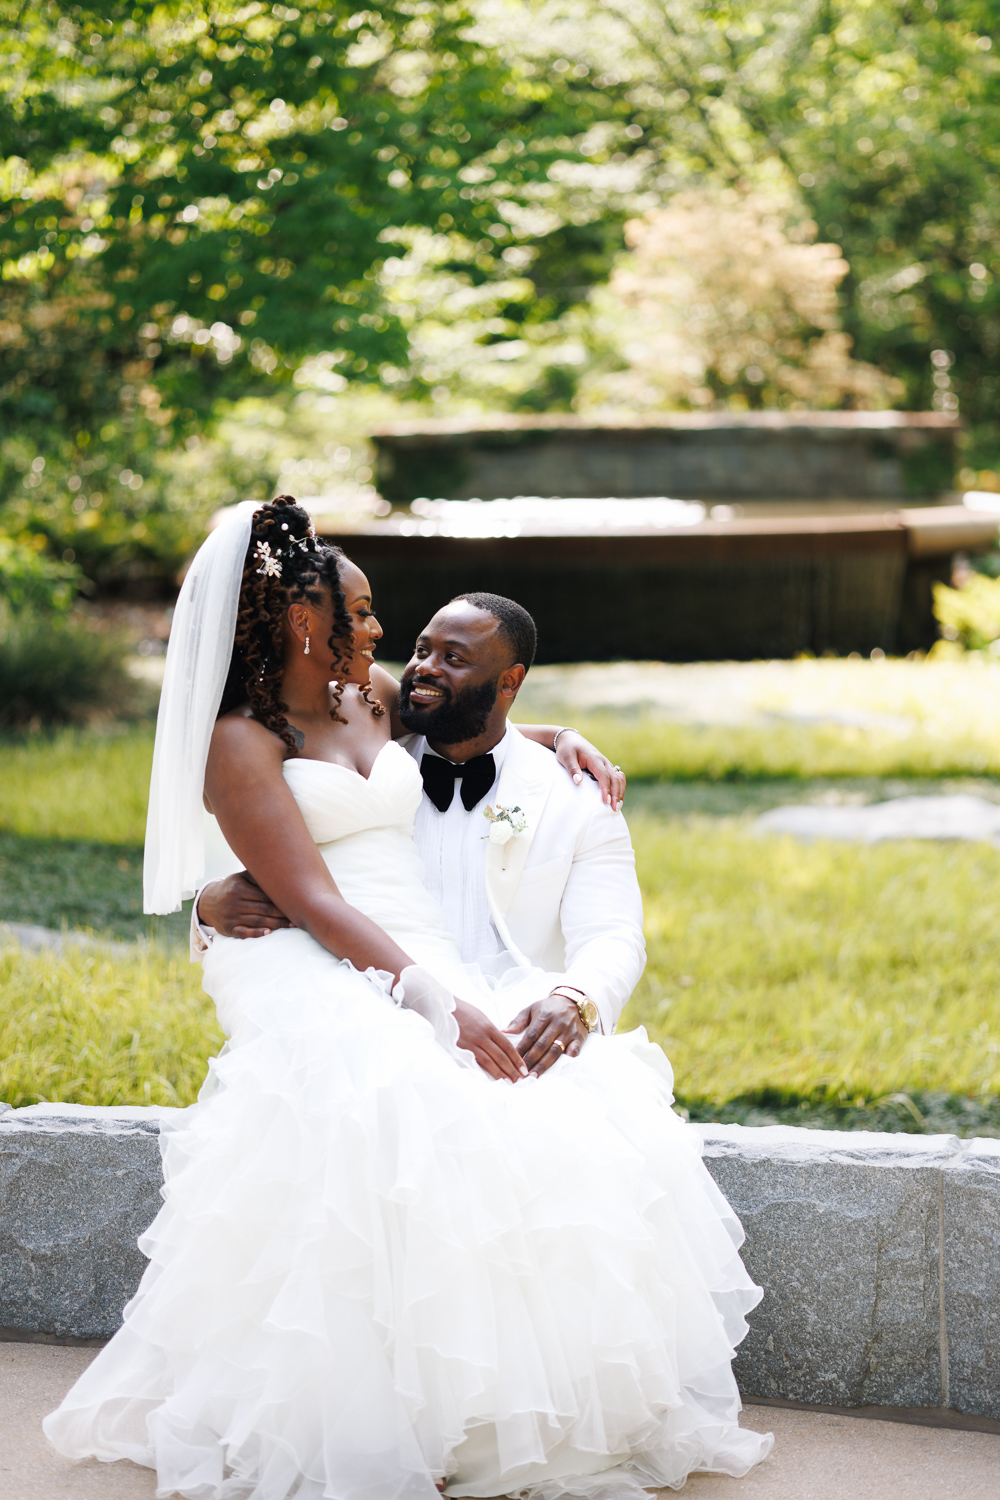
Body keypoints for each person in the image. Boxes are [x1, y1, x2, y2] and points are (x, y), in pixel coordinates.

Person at [44, 496, 772, 1499]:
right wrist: (431, 1001)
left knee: (539, 1119)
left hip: (407, 946)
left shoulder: (367, 699)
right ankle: (346, 1410)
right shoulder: (239, 740)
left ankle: (475, 1409)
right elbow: (303, 899)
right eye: (370, 614)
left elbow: (467, 714)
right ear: (309, 625)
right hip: (303, 950)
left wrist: (555, 737)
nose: (387, 637)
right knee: (390, 1094)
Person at [195, 589, 644, 1072]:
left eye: (453, 658)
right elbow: (272, 854)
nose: (423, 668)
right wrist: (207, 906)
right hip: (365, 1005)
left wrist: (575, 999)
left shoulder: (578, 795)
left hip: (517, 1019)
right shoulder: (369, 768)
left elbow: (613, 934)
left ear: (509, 682)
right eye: (421, 650)